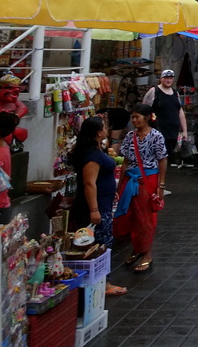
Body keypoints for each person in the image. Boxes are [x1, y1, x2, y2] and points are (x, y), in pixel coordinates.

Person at [69, 116, 126, 296]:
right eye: (104, 127)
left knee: (104, 242)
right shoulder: (92, 156)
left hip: (104, 202)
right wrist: (94, 209)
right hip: (96, 207)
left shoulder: (93, 151)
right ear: (97, 132)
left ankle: (102, 281)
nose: (106, 129)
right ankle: (104, 282)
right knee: (100, 243)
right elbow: (89, 183)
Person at [113, 104, 168, 274]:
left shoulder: (156, 136)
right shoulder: (130, 136)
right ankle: (137, 248)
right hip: (130, 179)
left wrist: (161, 185)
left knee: (145, 218)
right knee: (129, 216)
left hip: (148, 180)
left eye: (137, 117)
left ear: (147, 117)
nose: (134, 120)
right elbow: (126, 162)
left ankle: (147, 254)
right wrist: (119, 184)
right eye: (133, 117)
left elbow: (162, 160)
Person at [142, 70, 187, 179]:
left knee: (166, 157)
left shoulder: (175, 93)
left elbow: (180, 111)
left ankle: (161, 183)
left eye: (171, 78)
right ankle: (152, 181)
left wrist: (184, 130)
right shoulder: (154, 91)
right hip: (157, 130)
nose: (168, 80)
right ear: (161, 79)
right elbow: (144, 109)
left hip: (172, 132)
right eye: (166, 78)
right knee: (155, 157)